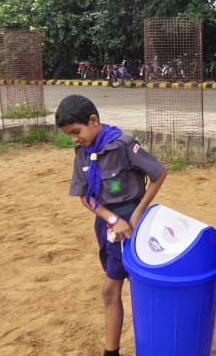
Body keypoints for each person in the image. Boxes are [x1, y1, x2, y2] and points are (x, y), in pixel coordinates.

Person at [55, 94, 167, 356]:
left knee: (121, 288)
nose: (74, 139)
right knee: (115, 287)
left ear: (93, 121)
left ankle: (124, 349)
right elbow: (86, 197)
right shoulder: (83, 154)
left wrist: (138, 213)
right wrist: (112, 219)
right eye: (69, 135)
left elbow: (159, 173)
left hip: (134, 228)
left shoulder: (123, 145)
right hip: (109, 227)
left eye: (76, 132)